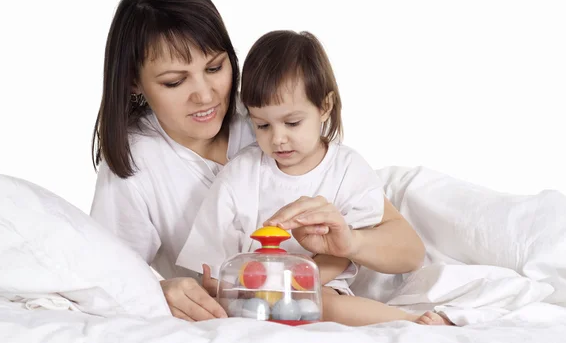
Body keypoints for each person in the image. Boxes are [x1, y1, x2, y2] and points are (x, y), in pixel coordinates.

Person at [89, 0, 428, 324]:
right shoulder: (134, 163)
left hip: (338, 294)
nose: (205, 96)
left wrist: (346, 247)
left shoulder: (263, 116)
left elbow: (406, 244)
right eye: (175, 81)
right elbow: (106, 278)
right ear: (134, 81)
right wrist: (160, 291)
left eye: (215, 67)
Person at [175, 30, 450, 326]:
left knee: (328, 307)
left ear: (325, 107)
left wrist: (299, 283)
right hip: (251, 296)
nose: (278, 139)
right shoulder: (240, 175)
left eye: (292, 122)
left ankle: (411, 321)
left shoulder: (346, 169)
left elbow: (344, 254)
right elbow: (214, 259)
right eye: (262, 125)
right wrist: (222, 288)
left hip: (321, 289)